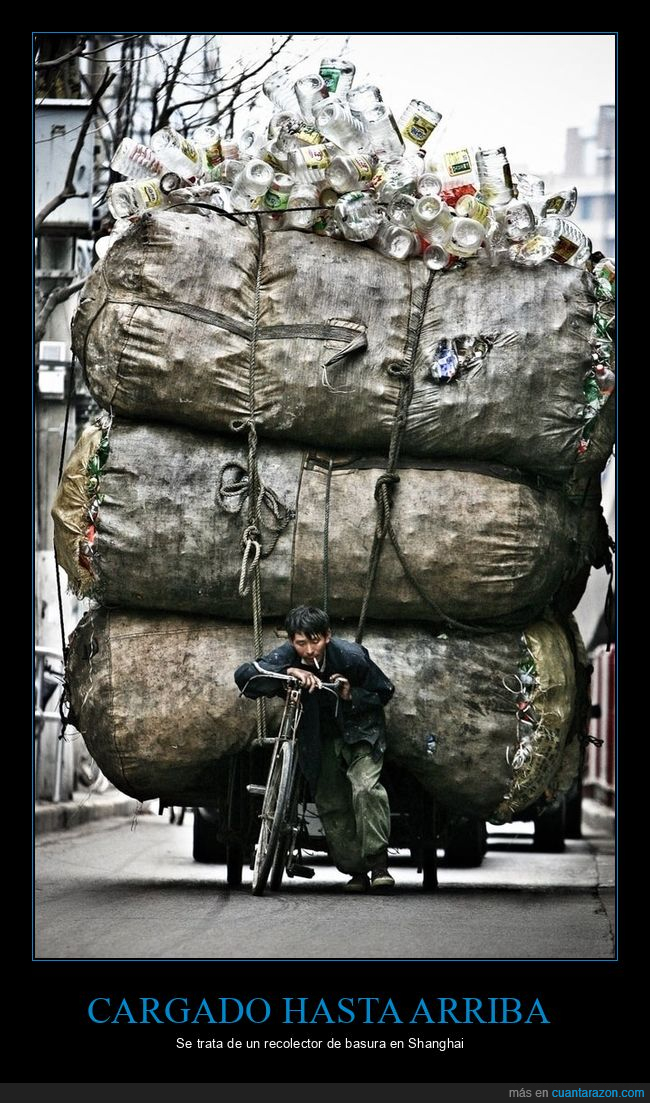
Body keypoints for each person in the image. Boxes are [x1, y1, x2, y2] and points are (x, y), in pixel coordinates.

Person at [234, 605, 395, 892]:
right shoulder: (289, 656)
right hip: (318, 738)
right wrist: (288, 670)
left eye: (315, 641)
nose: (309, 650)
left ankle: (379, 864)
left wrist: (351, 694)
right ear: (292, 641)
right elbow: (246, 675)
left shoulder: (351, 657)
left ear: (328, 636)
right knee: (332, 802)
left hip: (360, 732)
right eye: (301, 643)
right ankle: (355, 871)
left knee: (365, 788)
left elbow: (384, 691)